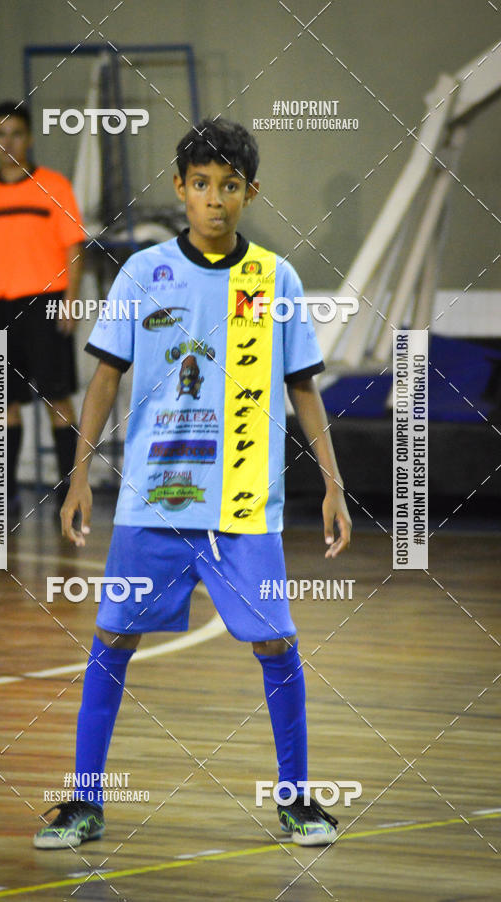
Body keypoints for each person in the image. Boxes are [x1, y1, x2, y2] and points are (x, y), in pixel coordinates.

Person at [33, 119, 351, 850]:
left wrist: (333, 484)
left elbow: (303, 389)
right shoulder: (142, 273)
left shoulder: (276, 279)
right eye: (201, 185)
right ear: (180, 189)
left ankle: (298, 800)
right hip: (154, 500)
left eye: (229, 187)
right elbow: (104, 378)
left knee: (276, 645)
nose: (214, 200)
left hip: (244, 507)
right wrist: (78, 478)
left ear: (249, 193)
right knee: (112, 635)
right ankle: (85, 805)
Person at [0, 101, 85, 520]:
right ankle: (1, 498)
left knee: (57, 400)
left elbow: (73, 247)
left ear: (28, 138)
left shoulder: (55, 186)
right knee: (0, 407)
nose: (7, 142)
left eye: (15, 133)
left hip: (46, 305)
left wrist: (70, 300)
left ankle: (71, 498)